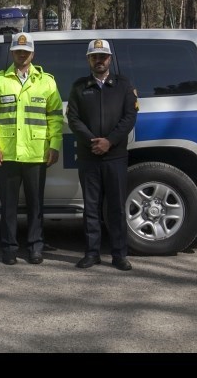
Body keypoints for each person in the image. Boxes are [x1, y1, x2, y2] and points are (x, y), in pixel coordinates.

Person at [0, 32, 63, 265]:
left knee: (36, 204)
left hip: (37, 154)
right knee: (8, 206)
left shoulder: (46, 81)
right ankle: (9, 247)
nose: (22, 54)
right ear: (12, 52)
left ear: (32, 54)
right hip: (7, 154)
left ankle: (35, 247)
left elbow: (55, 116)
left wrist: (54, 145)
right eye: (18, 51)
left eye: (26, 51)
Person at [67, 39, 138, 271]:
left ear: (110, 59)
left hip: (115, 156)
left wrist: (109, 142)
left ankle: (119, 254)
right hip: (88, 156)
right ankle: (92, 252)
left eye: (103, 56)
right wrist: (93, 142)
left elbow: (129, 117)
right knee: (91, 207)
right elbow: (73, 119)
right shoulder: (79, 87)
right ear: (89, 59)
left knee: (116, 207)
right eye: (95, 56)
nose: (99, 60)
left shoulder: (124, 86)